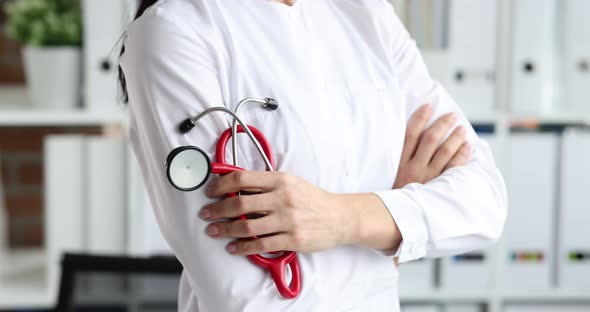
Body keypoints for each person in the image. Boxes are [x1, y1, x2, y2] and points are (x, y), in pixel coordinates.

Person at [119, 0, 508, 310]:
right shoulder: (173, 31)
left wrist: (345, 218)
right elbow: (245, 298)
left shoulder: (368, 15)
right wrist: (390, 228)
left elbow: (484, 203)